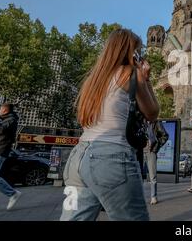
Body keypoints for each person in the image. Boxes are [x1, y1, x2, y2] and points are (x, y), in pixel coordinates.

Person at [60, 28, 160, 221]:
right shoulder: (129, 73)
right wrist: (145, 79)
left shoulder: (93, 79)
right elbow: (152, 112)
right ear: (129, 52)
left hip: (78, 158)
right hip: (112, 156)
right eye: (137, 51)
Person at [0, 103, 22, 210]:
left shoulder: (11, 120)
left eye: (0, 109)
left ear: (5, 110)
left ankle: (12, 193)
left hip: (0, 150)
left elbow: (0, 131)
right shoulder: (3, 119)